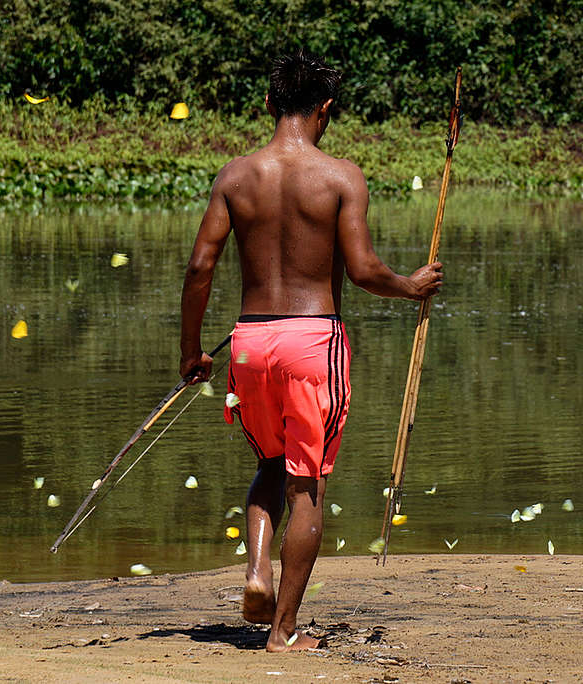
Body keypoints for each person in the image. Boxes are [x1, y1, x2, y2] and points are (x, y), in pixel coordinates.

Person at [178, 53, 443, 653]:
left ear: (269, 104)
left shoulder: (235, 176)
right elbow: (365, 269)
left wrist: (193, 351)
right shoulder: (341, 176)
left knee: (271, 464)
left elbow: (200, 267)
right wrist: (412, 284)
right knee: (308, 487)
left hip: (249, 344)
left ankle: (255, 570)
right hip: (312, 341)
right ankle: (284, 632)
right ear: (325, 110)